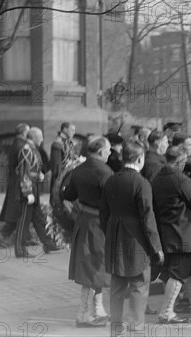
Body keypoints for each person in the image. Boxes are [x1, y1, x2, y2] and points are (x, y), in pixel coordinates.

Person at [100, 142, 164, 335]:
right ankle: (136, 328)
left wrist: (110, 233)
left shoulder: (111, 180)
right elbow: (148, 217)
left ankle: (116, 329)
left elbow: (103, 214)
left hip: (115, 237)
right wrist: (156, 247)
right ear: (139, 159)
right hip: (138, 241)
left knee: (117, 286)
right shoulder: (142, 183)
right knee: (139, 285)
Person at [63, 137, 113, 328]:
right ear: (100, 151)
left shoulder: (78, 170)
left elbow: (67, 195)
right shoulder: (106, 172)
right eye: (108, 150)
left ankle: (96, 309)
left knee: (92, 270)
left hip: (83, 222)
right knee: (94, 269)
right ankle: (83, 314)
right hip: (99, 225)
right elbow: (112, 202)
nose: (110, 153)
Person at [152, 145, 191, 324]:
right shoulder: (180, 179)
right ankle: (166, 312)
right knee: (178, 274)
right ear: (180, 160)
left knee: (185, 272)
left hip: (168, 231)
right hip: (183, 233)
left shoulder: (157, 178)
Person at [14, 127, 62, 258]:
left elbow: (32, 170)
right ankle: (19, 249)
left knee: (39, 218)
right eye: (40, 137)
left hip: (34, 188)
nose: (42, 139)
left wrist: (39, 175)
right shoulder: (26, 150)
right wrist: (27, 192)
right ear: (34, 137)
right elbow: (24, 172)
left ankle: (48, 244)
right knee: (24, 221)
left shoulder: (33, 150)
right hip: (28, 190)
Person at [0, 123, 30, 245]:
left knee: (18, 212)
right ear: (23, 133)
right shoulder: (21, 145)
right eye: (28, 132)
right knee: (18, 212)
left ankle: (23, 237)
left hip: (15, 181)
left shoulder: (16, 143)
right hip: (19, 183)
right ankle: (3, 235)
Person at [50, 122, 77, 188]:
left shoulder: (69, 142)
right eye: (72, 130)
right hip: (61, 177)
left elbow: (71, 157)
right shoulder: (58, 143)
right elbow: (56, 166)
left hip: (68, 175)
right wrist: (59, 180)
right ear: (65, 130)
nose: (74, 132)